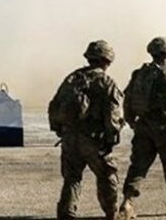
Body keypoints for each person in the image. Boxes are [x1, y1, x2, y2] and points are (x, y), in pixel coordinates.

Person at [118, 37, 166, 218]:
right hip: (164, 128)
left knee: (138, 166)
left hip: (143, 126)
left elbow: (128, 99)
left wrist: (132, 121)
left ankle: (126, 203)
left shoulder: (138, 74)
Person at [48, 40, 124, 220]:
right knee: (107, 175)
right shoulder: (106, 81)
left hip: (70, 137)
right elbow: (113, 114)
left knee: (72, 178)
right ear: (107, 60)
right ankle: (112, 213)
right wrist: (111, 137)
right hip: (93, 139)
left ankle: (66, 213)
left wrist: (60, 130)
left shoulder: (72, 78)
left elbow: (54, 105)